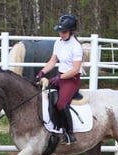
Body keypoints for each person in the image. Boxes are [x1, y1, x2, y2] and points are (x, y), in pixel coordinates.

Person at [35, 14, 83, 145]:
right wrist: (42, 72)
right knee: (45, 97)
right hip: (60, 76)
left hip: (71, 79)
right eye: (60, 31)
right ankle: (52, 129)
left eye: (64, 32)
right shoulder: (58, 43)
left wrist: (59, 78)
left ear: (71, 31)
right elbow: (53, 60)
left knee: (61, 104)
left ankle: (69, 133)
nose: (61, 34)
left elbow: (75, 69)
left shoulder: (76, 46)